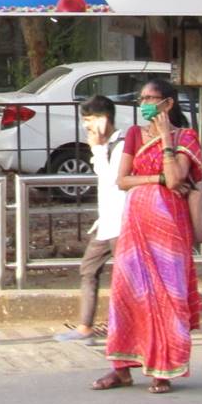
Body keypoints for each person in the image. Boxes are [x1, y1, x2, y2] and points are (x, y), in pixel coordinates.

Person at [91, 78, 202, 394]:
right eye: (141, 99)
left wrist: (167, 138)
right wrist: (155, 179)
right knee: (128, 294)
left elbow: (176, 178)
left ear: (168, 103)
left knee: (167, 296)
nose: (144, 104)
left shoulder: (186, 137)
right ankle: (122, 369)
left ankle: (163, 369)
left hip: (170, 230)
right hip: (136, 226)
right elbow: (123, 180)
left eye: (150, 98)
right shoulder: (135, 135)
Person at [54, 95, 126, 345]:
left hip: (122, 224)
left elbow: (114, 180)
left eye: (90, 119)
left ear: (104, 119)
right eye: (85, 120)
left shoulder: (122, 145)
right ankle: (85, 327)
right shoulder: (107, 146)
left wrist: (97, 148)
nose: (87, 126)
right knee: (88, 269)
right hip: (107, 223)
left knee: (125, 278)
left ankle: (126, 331)